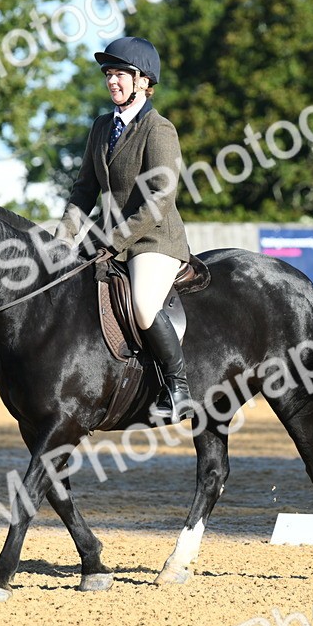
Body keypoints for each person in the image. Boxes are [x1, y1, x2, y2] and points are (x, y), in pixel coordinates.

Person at [54, 36, 194, 424]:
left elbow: (158, 201)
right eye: (108, 74)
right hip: (104, 237)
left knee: (143, 305)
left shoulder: (158, 129)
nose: (112, 81)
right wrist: (63, 240)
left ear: (143, 81)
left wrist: (110, 241)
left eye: (120, 74)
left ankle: (178, 388)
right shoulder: (102, 127)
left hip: (153, 238)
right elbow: (84, 189)